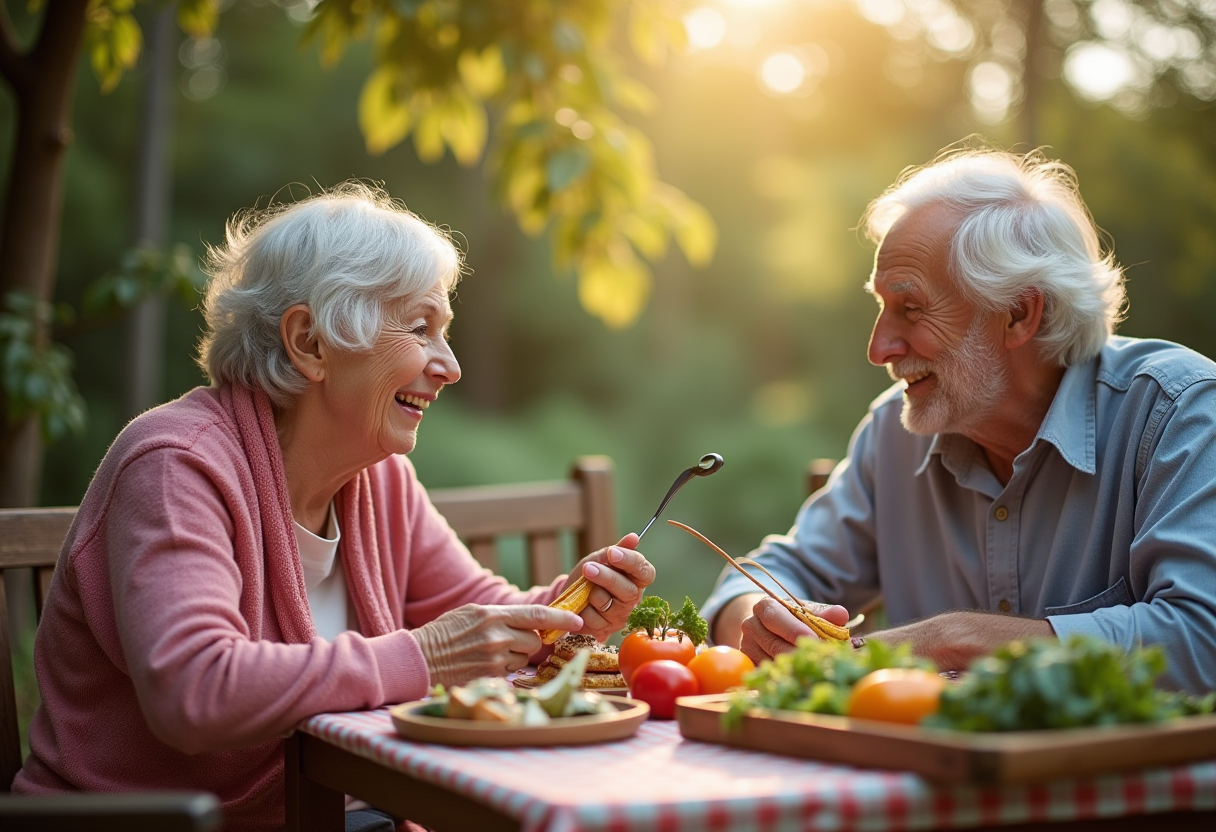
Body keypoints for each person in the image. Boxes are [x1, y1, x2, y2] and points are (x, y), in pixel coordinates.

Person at [13, 183, 655, 830]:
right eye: (420, 328)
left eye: (447, 333)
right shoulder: (176, 464)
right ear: (311, 343)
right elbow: (197, 690)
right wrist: (423, 659)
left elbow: (475, 615)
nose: (451, 366)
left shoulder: (381, 479)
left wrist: (571, 607)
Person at [702, 145, 1216, 693]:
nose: (878, 348)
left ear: (1019, 312)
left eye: (912, 308)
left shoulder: (1179, 413)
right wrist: (761, 619)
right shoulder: (891, 434)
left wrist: (954, 639)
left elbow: (1202, 642)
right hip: (929, 777)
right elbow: (763, 578)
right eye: (880, 308)